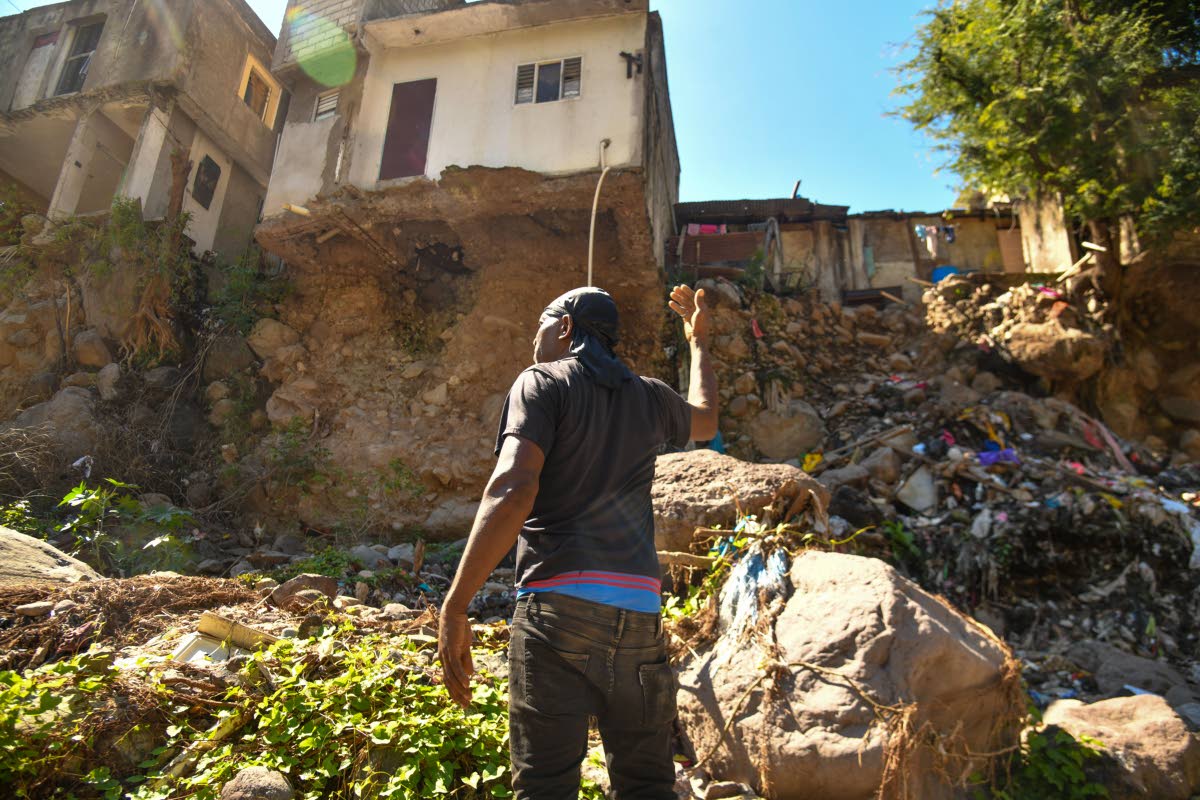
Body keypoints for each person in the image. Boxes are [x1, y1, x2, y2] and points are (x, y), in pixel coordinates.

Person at [438, 283, 717, 799]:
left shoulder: (541, 383)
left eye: (541, 322)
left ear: (565, 326)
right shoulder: (651, 396)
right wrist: (698, 343)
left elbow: (513, 488)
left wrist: (456, 607)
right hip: (639, 618)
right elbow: (706, 418)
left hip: (556, 614)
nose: (533, 337)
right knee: (648, 786)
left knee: (546, 787)